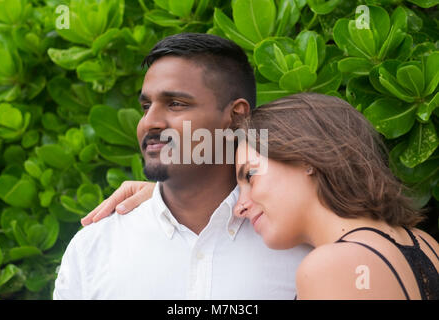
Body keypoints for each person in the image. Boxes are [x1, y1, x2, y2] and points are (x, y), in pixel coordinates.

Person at [85, 93, 439, 300]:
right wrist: (176, 197)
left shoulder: (332, 266)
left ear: (307, 159)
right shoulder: (424, 247)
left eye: (250, 176)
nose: (240, 204)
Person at [53, 33, 311, 300]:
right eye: (145, 106)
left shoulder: (301, 243)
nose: (149, 122)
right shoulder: (93, 249)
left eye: (175, 104)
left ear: (236, 116)